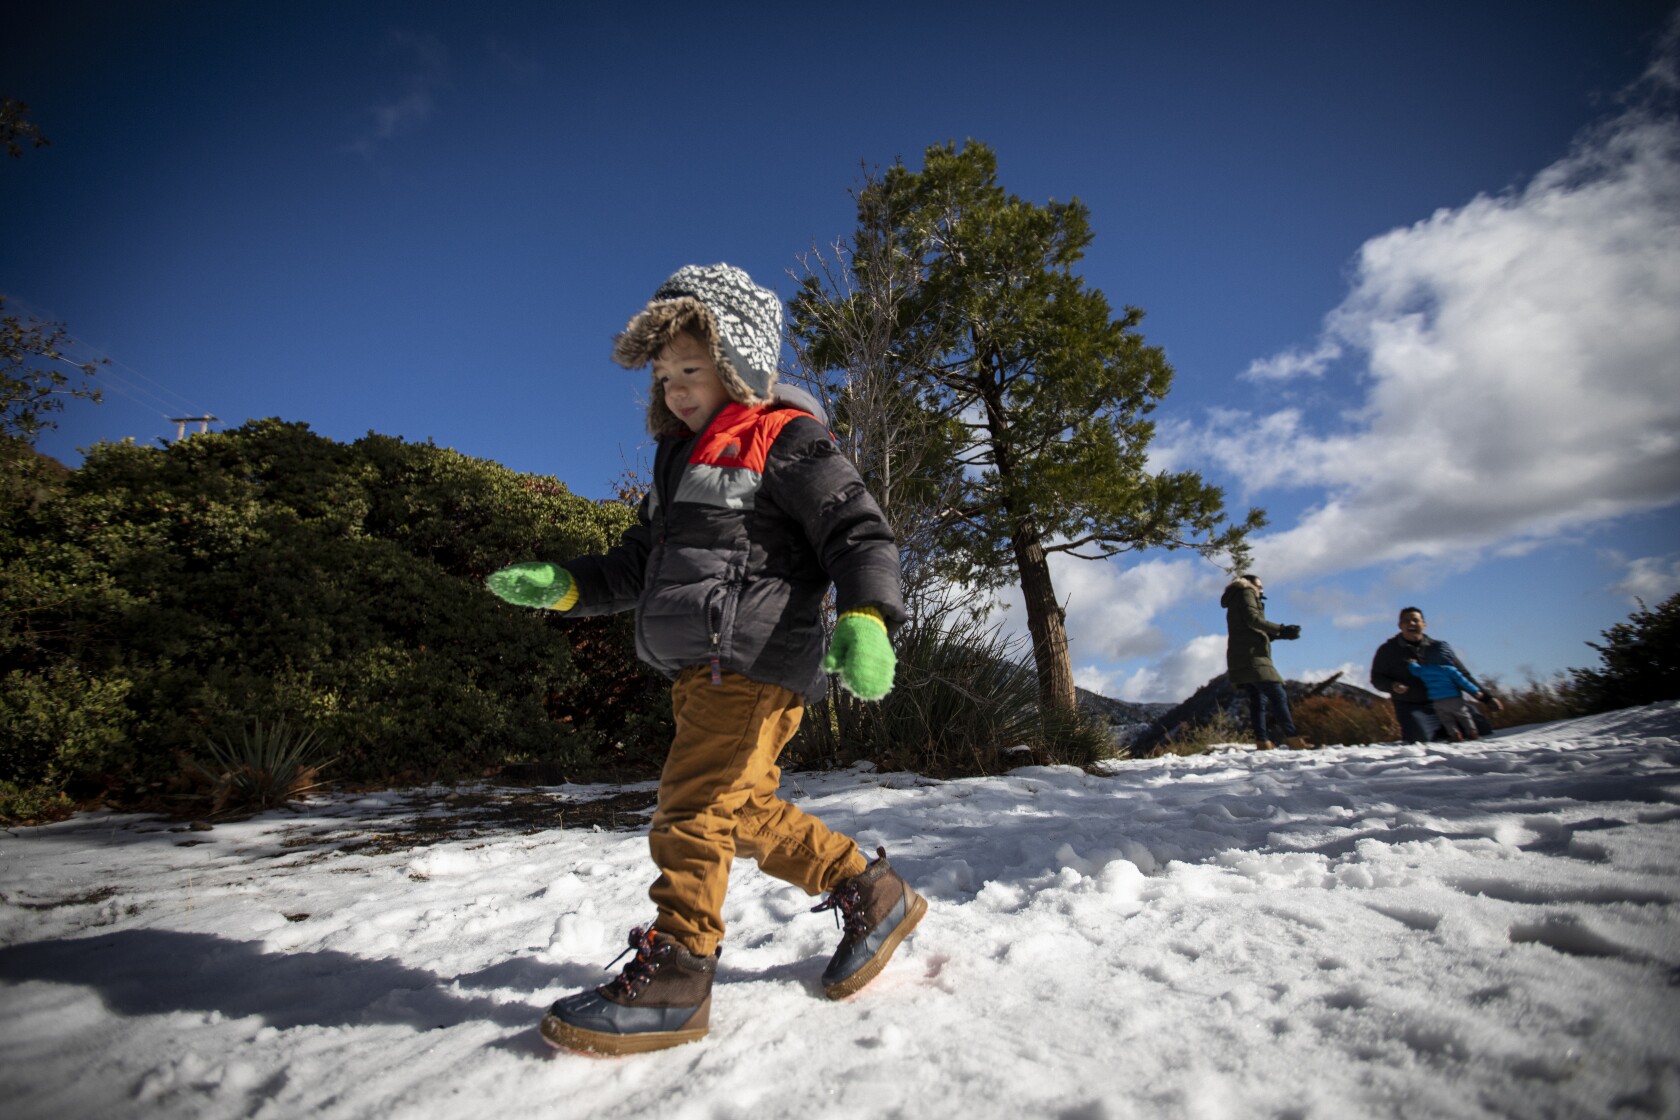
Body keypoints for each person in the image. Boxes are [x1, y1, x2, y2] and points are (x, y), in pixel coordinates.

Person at [486, 264, 925, 1055]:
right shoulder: (674, 464)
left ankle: (679, 974)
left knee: (690, 810)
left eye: (692, 369)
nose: (677, 388)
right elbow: (635, 564)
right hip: (701, 669)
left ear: (740, 364)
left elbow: (857, 530)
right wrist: (565, 586)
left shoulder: (786, 437)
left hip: (754, 658)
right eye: (664, 375)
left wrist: (866, 614)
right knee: (741, 812)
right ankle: (872, 888)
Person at [1370, 607, 1502, 743]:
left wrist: (1486, 698)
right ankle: (1442, 729)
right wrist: (1393, 685)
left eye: (1415, 620)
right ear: (1400, 625)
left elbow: (1462, 674)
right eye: (1406, 621)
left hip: (1449, 702)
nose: (1411, 624)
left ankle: (1447, 729)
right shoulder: (1387, 651)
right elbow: (1377, 678)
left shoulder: (1439, 648)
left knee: (1483, 729)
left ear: (1424, 624)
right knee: (1419, 738)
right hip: (1414, 706)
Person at [1221, 574, 1311, 750]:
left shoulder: (1234, 599)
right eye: (1259, 586)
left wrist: (1275, 635)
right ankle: (1292, 738)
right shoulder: (1246, 592)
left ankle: (1262, 741)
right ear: (1250, 584)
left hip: (1241, 655)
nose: (1261, 590)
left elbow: (1246, 628)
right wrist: (1281, 630)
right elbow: (1252, 619)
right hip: (1253, 657)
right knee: (1278, 695)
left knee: (1258, 700)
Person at [1406, 657, 1490, 741]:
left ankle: (1455, 734)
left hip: (1438, 700)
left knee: (1446, 720)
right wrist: (1476, 691)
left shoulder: (1424, 670)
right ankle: (1472, 732)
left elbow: (1415, 670)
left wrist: (1412, 663)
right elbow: (1464, 682)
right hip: (1454, 698)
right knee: (1464, 716)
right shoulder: (1449, 669)